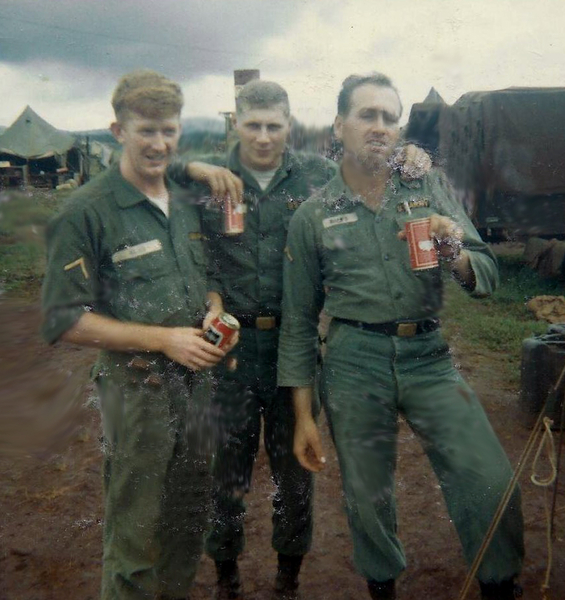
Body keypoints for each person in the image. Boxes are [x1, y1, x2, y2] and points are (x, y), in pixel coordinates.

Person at [170, 79, 431, 600]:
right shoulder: (210, 179)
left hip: (295, 344)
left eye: (274, 125)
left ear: (289, 125)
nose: (264, 137)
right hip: (230, 350)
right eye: (253, 125)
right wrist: (192, 168)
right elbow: (144, 173)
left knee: (295, 471)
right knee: (226, 471)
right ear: (235, 124)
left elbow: (370, 172)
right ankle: (226, 574)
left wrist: (410, 155)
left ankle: (288, 576)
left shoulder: (316, 174)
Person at [277, 73, 525, 600]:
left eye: (390, 118)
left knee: (489, 479)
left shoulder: (427, 186)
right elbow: (299, 322)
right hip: (352, 360)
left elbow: (486, 271)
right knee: (367, 497)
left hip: (427, 355)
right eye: (367, 115)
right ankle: (382, 587)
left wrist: (454, 249)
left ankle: (501, 585)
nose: (380, 127)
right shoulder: (314, 216)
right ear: (339, 125)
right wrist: (303, 415)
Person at [41, 70, 235, 600]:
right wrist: (164, 339)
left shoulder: (184, 197)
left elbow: (205, 276)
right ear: (117, 130)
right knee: (135, 534)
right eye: (145, 130)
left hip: (199, 392)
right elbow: (63, 318)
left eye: (168, 131)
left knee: (188, 522)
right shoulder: (85, 211)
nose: (159, 143)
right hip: (138, 392)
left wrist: (214, 307)